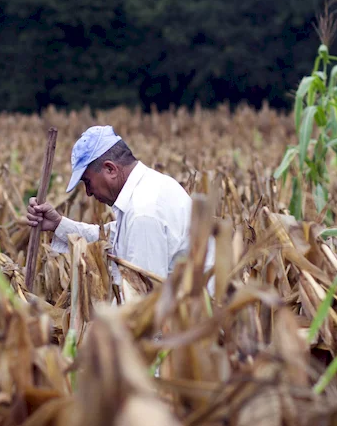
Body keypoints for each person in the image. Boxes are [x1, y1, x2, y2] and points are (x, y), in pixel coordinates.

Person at [26, 124, 214, 302]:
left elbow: (142, 303)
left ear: (110, 169)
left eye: (87, 182)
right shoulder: (151, 187)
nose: (88, 192)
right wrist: (58, 224)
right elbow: (111, 237)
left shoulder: (144, 212)